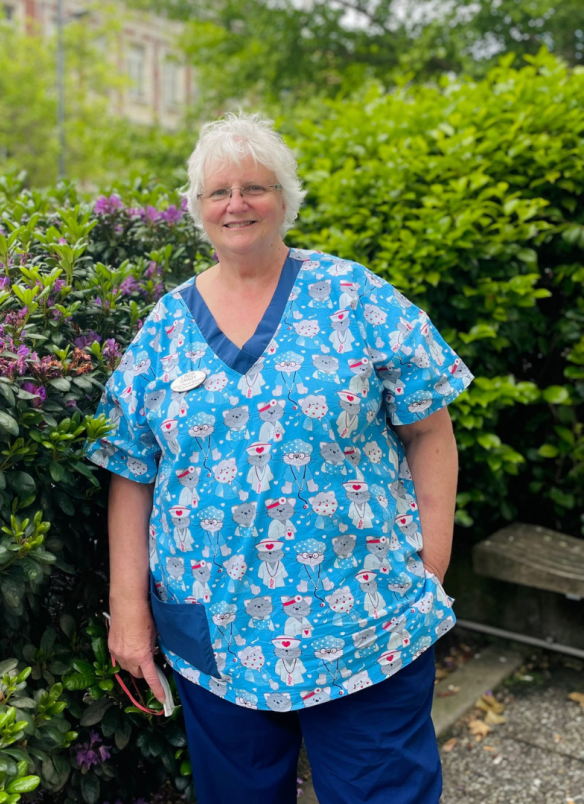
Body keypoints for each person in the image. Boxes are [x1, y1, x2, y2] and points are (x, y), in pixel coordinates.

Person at [85, 112, 474, 804]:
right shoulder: (165, 329)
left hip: (365, 617)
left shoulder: (353, 295)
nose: (236, 204)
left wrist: (431, 564)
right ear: (197, 210)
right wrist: (129, 611)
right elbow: (131, 471)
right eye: (217, 192)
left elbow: (429, 431)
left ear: (285, 199)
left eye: (254, 187)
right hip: (217, 630)